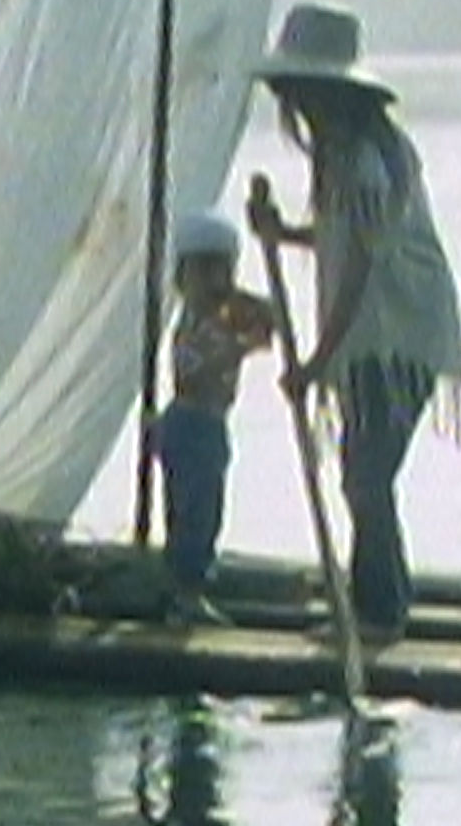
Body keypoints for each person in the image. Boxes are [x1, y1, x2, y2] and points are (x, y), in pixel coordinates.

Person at [248, 1, 461, 644]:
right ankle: (378, 599)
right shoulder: (341, 154)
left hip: (401, 333)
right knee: (363, 473)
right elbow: (340, 237)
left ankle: (379, 612)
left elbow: (360, 270)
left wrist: (317, 362)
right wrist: (282, 233)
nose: (296, 107)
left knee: (365, 476)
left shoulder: (368, 158)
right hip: (376, 335)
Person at [155, 209, 276, 626]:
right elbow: (193, 372)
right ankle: (184, 590)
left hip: (210, 425)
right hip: (190, 424)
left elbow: (271, 320)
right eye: (203, 271)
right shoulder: (193, 323)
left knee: (207, 508)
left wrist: (251, 309)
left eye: (222, 270)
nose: (214, 281)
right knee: (194, 509)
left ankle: (190, 586)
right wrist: (240, 348)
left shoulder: (224, 314)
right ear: (182, 279)